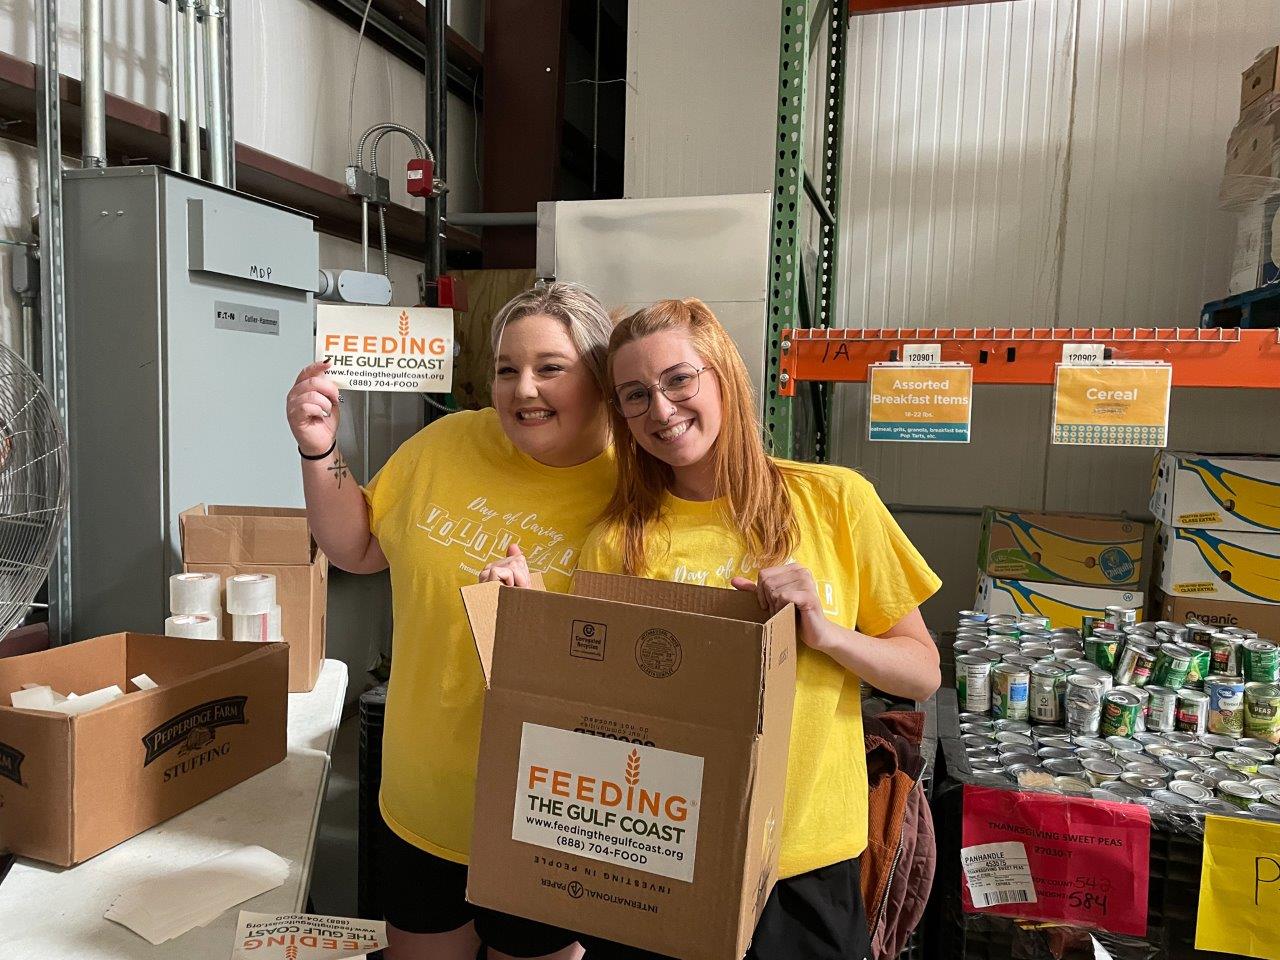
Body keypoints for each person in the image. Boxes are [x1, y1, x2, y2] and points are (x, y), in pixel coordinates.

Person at [526, 297, 940, 960]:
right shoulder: (617, 542)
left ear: (722, 375)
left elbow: (922, 670)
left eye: (679, 380)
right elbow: (595, 714)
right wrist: (532, 626)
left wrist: (826, 633)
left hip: (805, 859)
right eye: (635, 396)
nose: (661, 410)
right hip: (662, 856)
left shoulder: (834, 501)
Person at [285, 282, 617, 960]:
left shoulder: (634, 487)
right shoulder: (446, 444)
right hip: (422, 793)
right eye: (506, 369)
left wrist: (530, 625)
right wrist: (319, 450)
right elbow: (359, 547)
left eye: (550, 368)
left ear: (602, 376)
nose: (523, 389)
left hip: (550, 812)